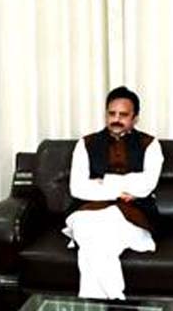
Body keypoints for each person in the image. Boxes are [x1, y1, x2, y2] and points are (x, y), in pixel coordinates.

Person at [64, 86, 164, 300]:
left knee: (96, 244)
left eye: (123, 114)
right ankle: (116, 304)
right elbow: (77, 188)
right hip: (86, 213)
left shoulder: (150, 144)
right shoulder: (86, 144)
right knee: (97, 238)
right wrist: (123, 187)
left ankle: (96, 309)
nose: (116, 119)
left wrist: (102, 182)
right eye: (112, 113)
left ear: (135, 118)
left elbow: (147, 184)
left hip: (132, 214)